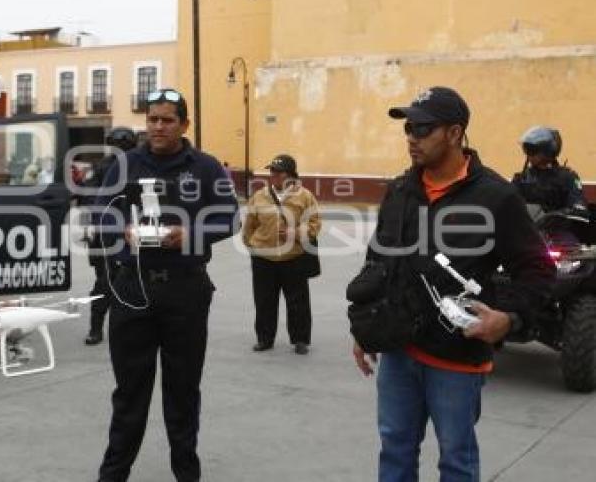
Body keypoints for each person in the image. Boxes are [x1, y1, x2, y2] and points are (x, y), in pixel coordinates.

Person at [350, 87, 554, 482]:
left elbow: (539, 271)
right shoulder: (400, 191)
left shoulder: (495, 196)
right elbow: (379, 261)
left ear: (455, 133)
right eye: (408, 127)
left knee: (456, 460)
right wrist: (366, 328)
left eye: (423, 128)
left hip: (455, 360)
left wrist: (508, 318)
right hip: (397, 351)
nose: (411, 136)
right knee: (394, 450)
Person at [95, 88, 238, 482]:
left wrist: (188, 233)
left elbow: (229, 218)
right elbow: (99, 212)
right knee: (129, 395)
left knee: (183, 392)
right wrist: (120, 230)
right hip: (132, 291)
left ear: (184, 124)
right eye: (152, 119)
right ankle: (112, 475)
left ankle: (186, 474)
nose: (157, 127)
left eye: (167, 120)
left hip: (185, 293)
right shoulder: (124, 165)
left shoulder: (206, 167)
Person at [242, 154, 321, 355]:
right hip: (263, 259)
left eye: (279, 172)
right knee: (264, 301)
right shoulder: (259, 196)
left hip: (293, 257)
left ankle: (300, 339)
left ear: (291, 174)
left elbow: (314, 224)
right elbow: (249, 224)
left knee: (298, 302)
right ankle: (264, 338)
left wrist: (296, 233)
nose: (274, 175)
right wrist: (251, 245)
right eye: (272, 171)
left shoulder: (305, 196)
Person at [83, 126, 138, 346]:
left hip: (131, 233)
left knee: (128, 281)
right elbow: (88, 197)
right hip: (107, 233)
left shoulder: (138, 167)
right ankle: (96, 327)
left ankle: (121, 327)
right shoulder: (101, 168)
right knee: (105, 282)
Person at [512, 125, 588, 215]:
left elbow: (579, 209)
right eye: (527, 149)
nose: (528, 154)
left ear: (547, 150)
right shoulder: (521, 179)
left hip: (557, 227)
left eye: (532, 150)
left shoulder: (567, 178)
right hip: (528, 227)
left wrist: (554, 216)